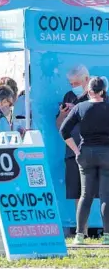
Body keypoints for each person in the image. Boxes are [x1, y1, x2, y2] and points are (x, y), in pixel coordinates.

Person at [60, 77, 109, 245]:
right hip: (106, 154)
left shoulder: (80, 107)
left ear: (88, 91)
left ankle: (79, 236)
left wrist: (76, 150)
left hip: (85, 153)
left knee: (85, 195)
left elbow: (64, 130)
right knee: (105, 196)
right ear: (103, 91)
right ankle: (107, 237)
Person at [56, 65, 91, 236]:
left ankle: (104, 230)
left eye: (76, 83)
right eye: (70, 83)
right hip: (72, 151)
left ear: (86, 79)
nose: (73, 86)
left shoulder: (98, 95)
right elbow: (59, 126)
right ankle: (82, 231)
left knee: (102, 191)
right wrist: (64, 114)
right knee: (79, 192)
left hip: (95, 150)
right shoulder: (68, 96)